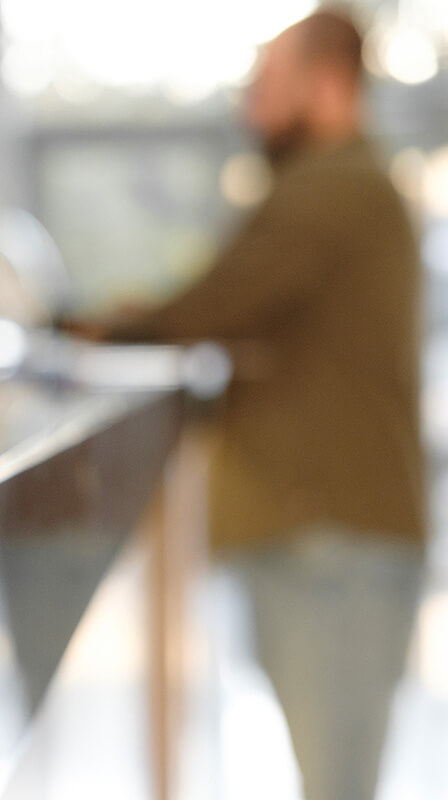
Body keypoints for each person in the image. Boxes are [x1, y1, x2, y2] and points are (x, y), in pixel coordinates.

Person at [71, 11, 424, 800]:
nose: (248, 109)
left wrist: (89, 325)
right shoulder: (339, 184)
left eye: (268, 85)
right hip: (329, 536)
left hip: (333, 538)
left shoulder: (333, 186)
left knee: (337, 786)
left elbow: (209, 305)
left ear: (328, 86)